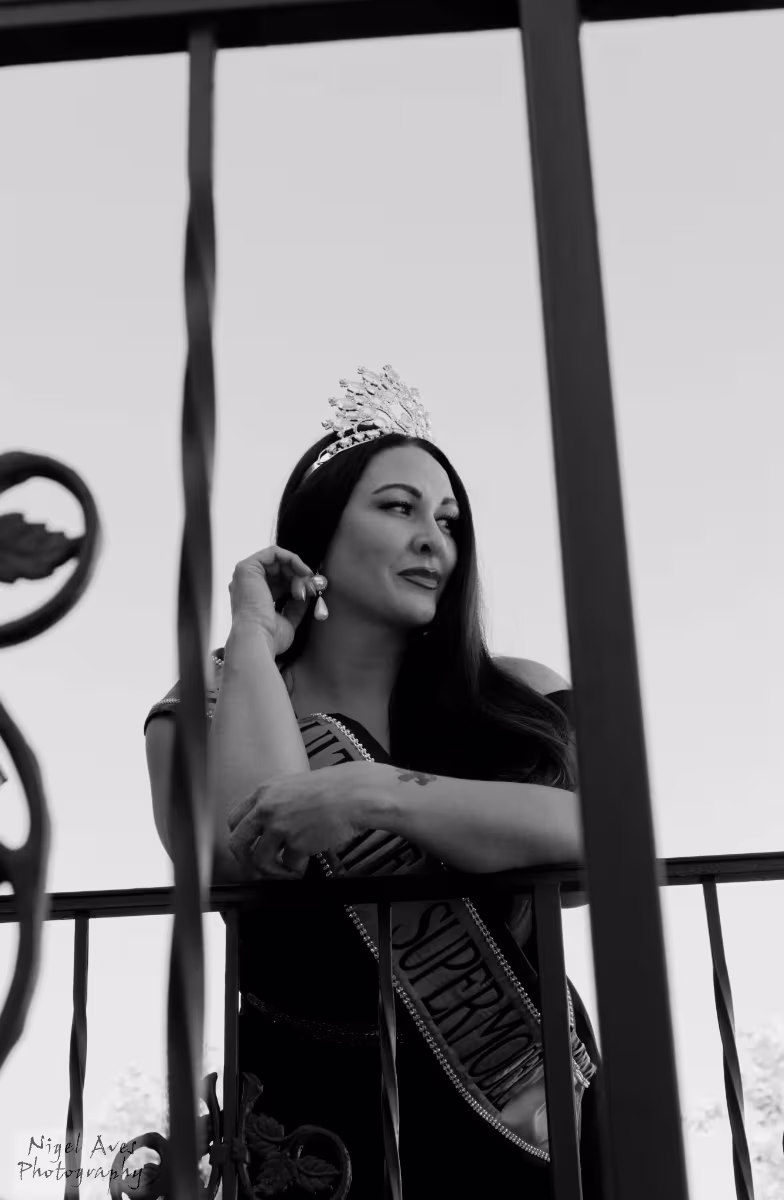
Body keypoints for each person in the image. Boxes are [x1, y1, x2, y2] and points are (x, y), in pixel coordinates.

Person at [144, 365, 605, 1199]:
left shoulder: (521, 697)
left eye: (449, 521)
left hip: (526, 1113)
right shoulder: (207, 701)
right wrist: (251, 640)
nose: (434, 540)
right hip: (314, 1124)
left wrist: (373, 793)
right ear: (315, 536)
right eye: (398, 508)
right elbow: (247, 854)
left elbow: (605, 839)